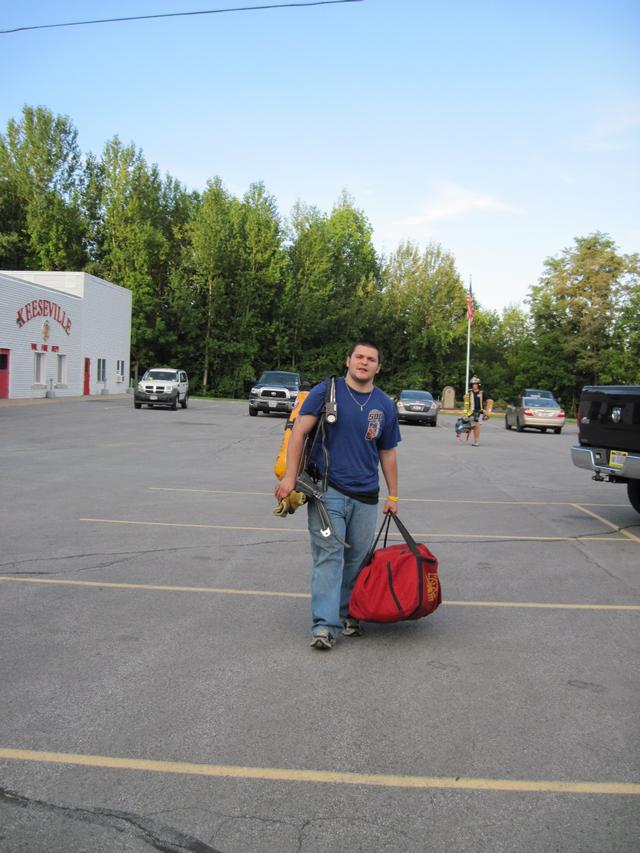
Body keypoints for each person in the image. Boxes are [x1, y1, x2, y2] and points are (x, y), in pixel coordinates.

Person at [275, 342, 401, 650]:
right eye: (359, 356)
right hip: (326, 491)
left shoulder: (384, 405)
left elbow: (388, 452)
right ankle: (324, 626)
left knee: (357, 559)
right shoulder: (326, 391)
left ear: (378, 367)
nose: (364, 362)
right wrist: (290, 477)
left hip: (367, 495)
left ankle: (347, 615)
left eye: (371, 359)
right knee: (329, 555)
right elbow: (299, 433)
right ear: (348, 360)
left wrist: (393, 496)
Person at [468, 376, 489, 446]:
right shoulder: (469, 393)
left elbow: (489, 402)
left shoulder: (482, 393)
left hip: (479, 412)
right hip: (471, 412)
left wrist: (487, 412)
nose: (474, 385)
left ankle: (476, 441)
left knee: (477, 426)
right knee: (472, 426)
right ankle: (475, 439)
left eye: (476, 384)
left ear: (478, 385)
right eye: (473, 384)